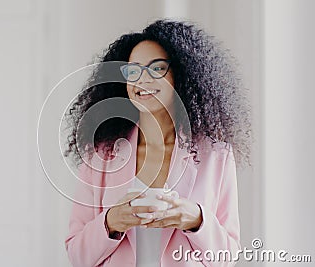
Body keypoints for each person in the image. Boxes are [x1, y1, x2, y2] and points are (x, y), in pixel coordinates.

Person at [64, 19, 252, 267]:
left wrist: (196, 219)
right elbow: (77, 255)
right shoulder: (102, 153)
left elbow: (228, 257)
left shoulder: (216, 155)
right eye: (133, 70)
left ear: (182, 74)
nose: (143, 80)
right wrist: (111, 222)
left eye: (157, 68)